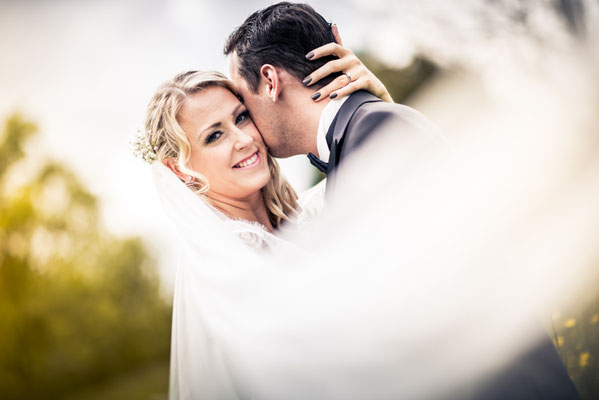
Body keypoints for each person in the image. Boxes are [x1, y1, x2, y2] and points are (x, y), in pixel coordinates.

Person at [221, 2, 581, 400]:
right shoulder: (365, 132)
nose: (246, 126)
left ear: (270, 81)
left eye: (241, 102)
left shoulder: (372, 134)